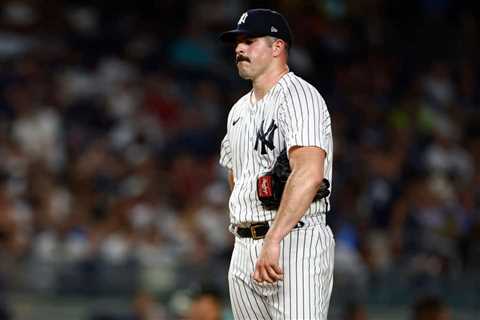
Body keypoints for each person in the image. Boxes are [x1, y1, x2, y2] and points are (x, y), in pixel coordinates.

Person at [219, 8, 335, 319]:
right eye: (237, 42)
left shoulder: (299, 97)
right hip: (245, 245)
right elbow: (236, 176)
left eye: (250, 41)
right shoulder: (238, 111)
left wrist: (273, 237)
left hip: (293, 240)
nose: (239, 48)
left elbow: (310, 173)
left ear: (277, 47)